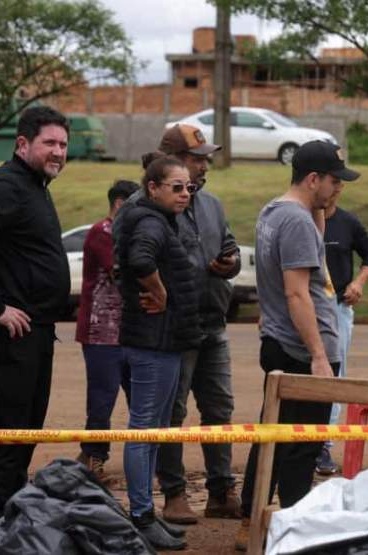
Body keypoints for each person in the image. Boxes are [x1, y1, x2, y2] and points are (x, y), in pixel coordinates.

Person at [235, 140, 358, 549]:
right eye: (334, 181)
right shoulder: (297, 222)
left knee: (271, 434)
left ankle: (251, 519)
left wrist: (319, 211)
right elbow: (297, 294)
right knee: (301, 444)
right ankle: (294, 529)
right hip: (301, 349)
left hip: (280, 341)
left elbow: (313, 256)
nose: (339, 189)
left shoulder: (276, 211)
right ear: (312, 179)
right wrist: (319, 356)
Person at [0, 106, 71, 522]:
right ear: (22, 144)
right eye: (50, 143)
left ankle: (11, 524)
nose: (59, 151)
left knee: (24, 435)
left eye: (63, 144)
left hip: (37, 334)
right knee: (3, 439)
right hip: (8, 337)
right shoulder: (4, 186)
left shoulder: (34, 186)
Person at [146, 124, 242, 524]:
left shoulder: (212, 204)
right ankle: (173, 494)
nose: (204, 165)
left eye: (205, 157)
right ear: (171, 161)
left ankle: (221, 490)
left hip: (213, 321)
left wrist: (230, 263)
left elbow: (230, 245)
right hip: (173, 327)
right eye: (196, 157)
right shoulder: (151, 204)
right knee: (173, 413)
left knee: (219, 408)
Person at [117, 154, 201, 550]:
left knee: (155, 430)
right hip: (152, 342)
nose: (185, 194)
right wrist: (161, 291)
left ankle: (145, 513)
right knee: (144, 430)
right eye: (177, 187)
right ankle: (140, 515)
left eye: (190, 188)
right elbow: (140, 259)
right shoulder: (150, 220)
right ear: (152, 188)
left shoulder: (160, 219)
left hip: (166, 341)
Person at [75, 179, 140, 479]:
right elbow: (122, 274)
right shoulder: (103, 233)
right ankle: (92, 460)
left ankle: (96, 457)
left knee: (138, 398)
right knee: (102, 399)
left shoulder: (125, 233)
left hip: (128, 332)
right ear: (119, 204)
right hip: (101, 332)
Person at [315, 180, 368, 475]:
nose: (336, 190)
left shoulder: (347, 222)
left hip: (338, 308)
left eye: (339, 186)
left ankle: (324, 445)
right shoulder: (300, 219)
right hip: (305, 305)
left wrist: (358, 283)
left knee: (334, 373)